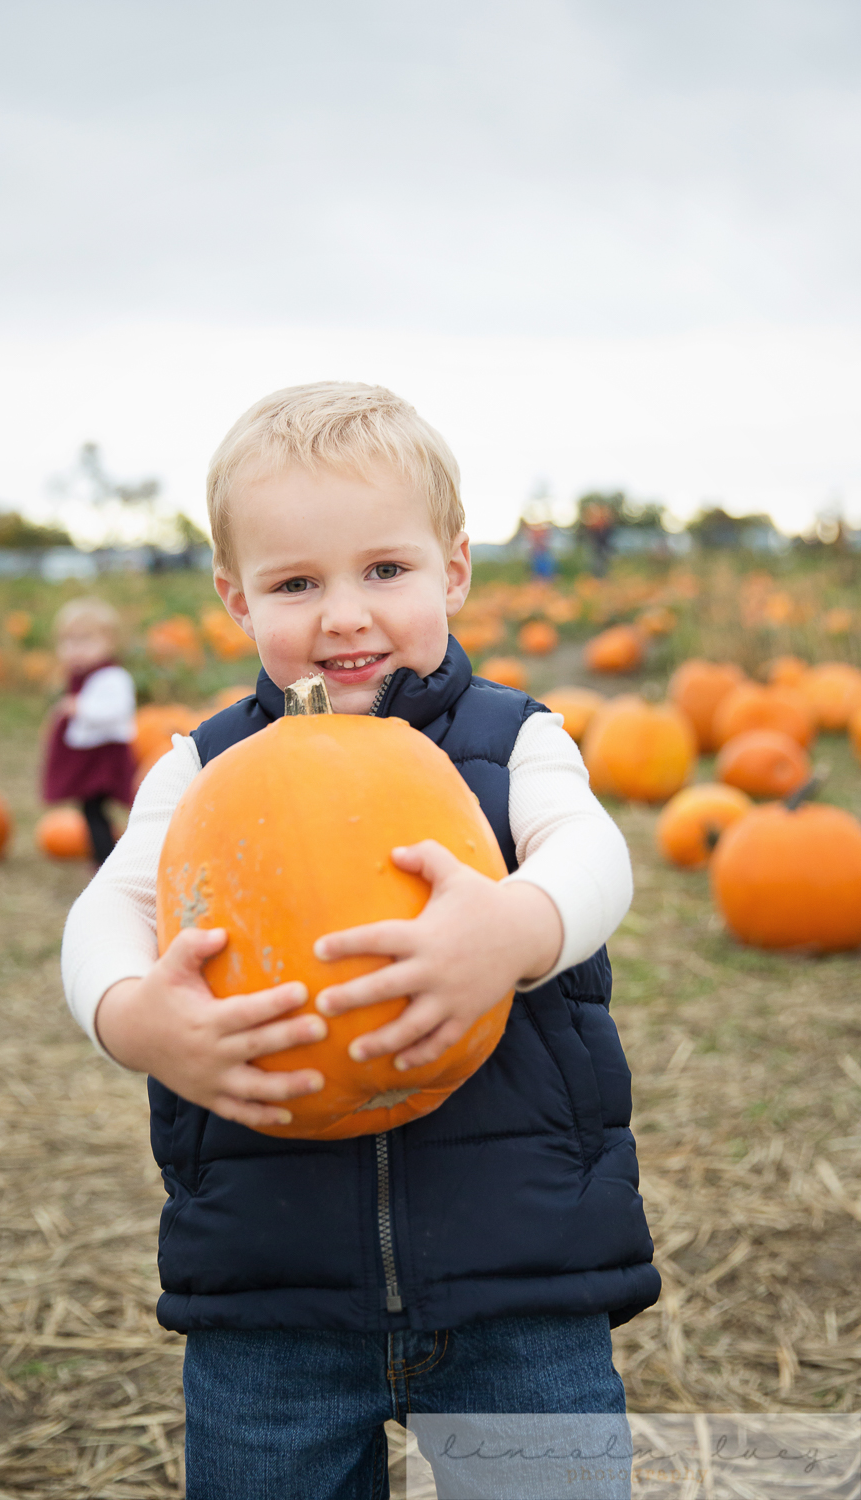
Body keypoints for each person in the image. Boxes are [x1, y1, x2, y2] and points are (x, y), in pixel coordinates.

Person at [61, 384, 658, 1500]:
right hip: (271, 1292)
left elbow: (594, 855)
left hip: (515, 1277)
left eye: (384, 571)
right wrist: (132, 1018)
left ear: (455, 571)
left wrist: (517, 930)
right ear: (237, 598)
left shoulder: (514, 740)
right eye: (297, 584)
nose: (343, 615)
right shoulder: (202, 768)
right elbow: (107, 911)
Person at [43, 597, 136, 865]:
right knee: (91, 809)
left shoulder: (112, 677)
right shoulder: (79, 677)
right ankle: (104, 854)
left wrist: (80, 707)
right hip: (88, 755)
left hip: (104, 755)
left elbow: (117, 710)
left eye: (85, 641)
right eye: (69, 642)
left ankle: (108, 856)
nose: (75, 650)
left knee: (104, 807)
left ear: (109, 642)